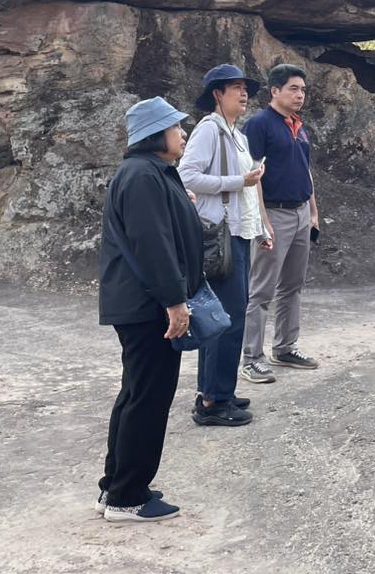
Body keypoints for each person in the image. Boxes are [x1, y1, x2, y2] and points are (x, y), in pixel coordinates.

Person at [97, 96, 204, 523]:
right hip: (148, 307)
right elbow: (153, 245)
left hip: (139, 304)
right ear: (157, 134)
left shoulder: (149, 173)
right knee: (148, 398)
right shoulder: (143, 176)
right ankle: (129, 498)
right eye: (177, 128)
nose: (183, 134)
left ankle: (116, 487)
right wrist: (175, 303)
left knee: (135, 395)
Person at [178, 64, 268, 427]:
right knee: (225, 319)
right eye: (235, 88)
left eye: (245, 88)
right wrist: (238, 180)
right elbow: (186, 175)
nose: (244, 94)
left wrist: (259, 225)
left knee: (229, 316)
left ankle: (218, 391)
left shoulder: (238, 134)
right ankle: (213, 402)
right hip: (221, 236)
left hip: (238, 232)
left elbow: (245, 189)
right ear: (217, 94)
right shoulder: (208, 130)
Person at [240, 63, 320, 382]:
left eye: (302, 89)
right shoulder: (259, 125)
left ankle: (285, 347)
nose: (300, 94)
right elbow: (253, 174)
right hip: (273, 213)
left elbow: (305, 170)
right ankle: (251, 357)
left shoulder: (298, 125)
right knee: (261, 289)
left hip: (300, 213)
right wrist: (262, 220)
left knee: (293, 286)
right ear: (275, 91)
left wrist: (313, 212)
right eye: (293, 88)